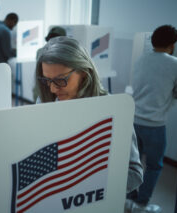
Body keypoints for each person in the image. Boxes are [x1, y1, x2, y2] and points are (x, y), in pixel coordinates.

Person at [35, 36, 143, 197]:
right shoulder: (44, 101)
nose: (52, 89)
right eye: (47, 81)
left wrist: (84, 186)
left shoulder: (112, 110)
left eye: (61, 80)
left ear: (84, 73)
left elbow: (134, 174)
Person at [127, 25, 177, 213]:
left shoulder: (141, 59)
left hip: (133, 120)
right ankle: (142, 204)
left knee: (133, 163)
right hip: (155, 125)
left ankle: (129, 199)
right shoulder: (176, 64)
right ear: (172, 44)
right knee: (154, 167)